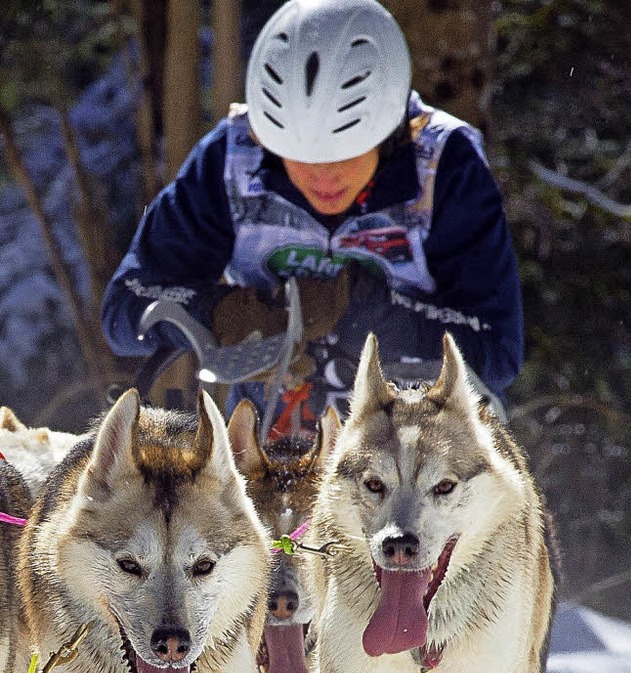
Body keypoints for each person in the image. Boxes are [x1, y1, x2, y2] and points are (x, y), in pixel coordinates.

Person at [101, 0, 524, 434]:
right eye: (297, 156)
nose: (323, 177)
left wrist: (359, 311)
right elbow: (123, 311)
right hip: (267, 439)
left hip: (422, 449)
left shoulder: (445, 164)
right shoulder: (230, 158)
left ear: (388, 130)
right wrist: (229, 314)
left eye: (345, 153)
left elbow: (496, 350)